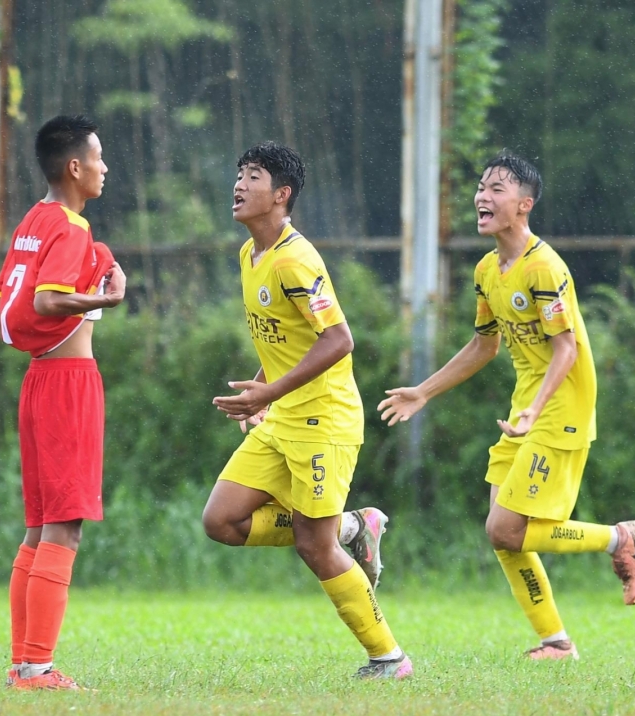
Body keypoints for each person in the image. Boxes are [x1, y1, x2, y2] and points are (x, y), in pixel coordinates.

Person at [377, 151, 635, 660]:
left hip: (560, 407)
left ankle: (620, 539)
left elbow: (566, 349)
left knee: (506, 528)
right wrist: (423, 391)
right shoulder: (487, 270)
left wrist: (535, 411)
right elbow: (484, 345)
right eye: (481, 187)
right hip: (527, 405)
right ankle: (555, 642)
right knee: (504, 535)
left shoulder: (544, 267)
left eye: (496, 188)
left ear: (524, 204)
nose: (481, 196)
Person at [203, 141, 412, 680]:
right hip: (282, 419)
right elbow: (287, 339)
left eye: (253, 175)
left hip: (325, 422)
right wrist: (261, 387)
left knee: (314, 546)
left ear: (282, 194)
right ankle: (353, 526)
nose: (239, 184)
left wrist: (268, 393)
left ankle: (390, 658)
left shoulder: (296, 260)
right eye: (239, 173)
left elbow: (338, 339)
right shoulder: (250, 255)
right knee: (221, 521)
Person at [0, 114, 126, 690]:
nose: (104, 167)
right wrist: (105, 300)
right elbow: (48, 301)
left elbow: (6, 296)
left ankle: (23, 664)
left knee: (38, 527)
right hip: (69, 383)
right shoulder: (70, 227)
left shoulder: (33, 219)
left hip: (38, 381)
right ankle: (37, 668)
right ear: (74, 167)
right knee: (65, 527)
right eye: (97, 157)